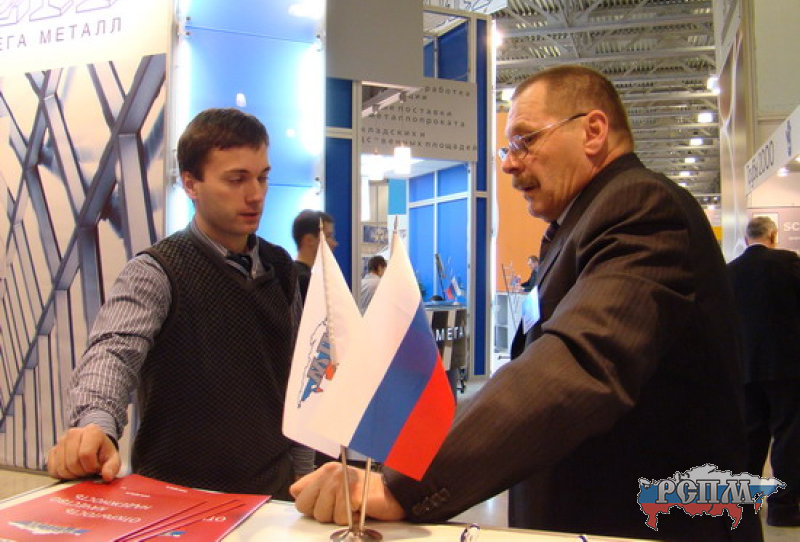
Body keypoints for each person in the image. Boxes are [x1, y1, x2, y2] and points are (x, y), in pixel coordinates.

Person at [291, 65, 761, 541]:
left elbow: (579, 361)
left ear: (593, 132)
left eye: (525, 141)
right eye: (507, 149)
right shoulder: (579, 225)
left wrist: (403, 483)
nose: (510, 164)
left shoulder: (640, 205)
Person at [46, 108, 313, 500]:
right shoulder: (158, 271)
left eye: (262, 177)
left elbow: (300, 378)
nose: (255, 194)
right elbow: (113, 351)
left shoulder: (281, 269)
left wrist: (302, 477)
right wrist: (96, 426)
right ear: (191, 184)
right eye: (236, 179)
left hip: (270, 496)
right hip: (173, 497)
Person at [727, 216, 800, 527]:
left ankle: (744, 507)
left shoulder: (729, 272)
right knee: (789, 436)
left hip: (745, 367)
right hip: (788, 366)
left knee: (750, 436)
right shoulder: (789, 263)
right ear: (773, 235)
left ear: (746, 239)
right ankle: (783, 508)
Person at [292, 209, 337, 302]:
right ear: (309, 240)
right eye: (328, 236)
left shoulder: (291, 275)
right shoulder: (305, 282)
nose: (334, 243)